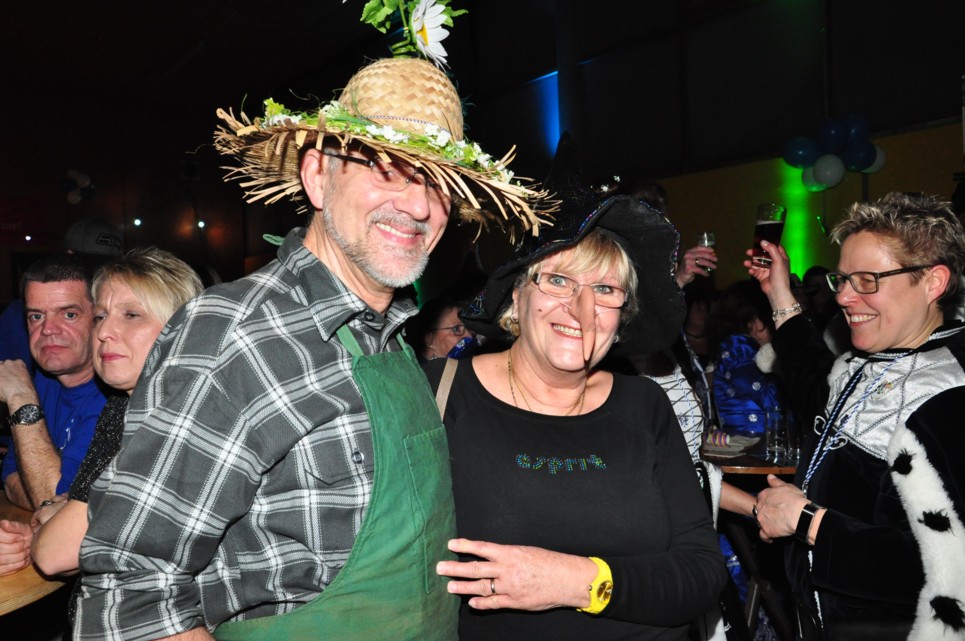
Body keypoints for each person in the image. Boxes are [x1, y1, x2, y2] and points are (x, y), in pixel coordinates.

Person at [76, 48, 548, 641]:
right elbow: (132, 594)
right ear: (318, 175)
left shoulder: (393, 337)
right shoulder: (235, 332)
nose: (419, 205)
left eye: (438, 183)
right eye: (386, 169)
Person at [430, 137, 727, 640]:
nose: (580, 309)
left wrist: (574, 582)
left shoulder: (645, 405)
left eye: (605, 290)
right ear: (517, 294)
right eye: (559, 281)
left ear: (622, 316)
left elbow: (702, 574)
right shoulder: (442, 395)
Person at [748, 192, 965, 640]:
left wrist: (807, 521)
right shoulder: (878, 358)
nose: (845, 297)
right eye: (843, 279)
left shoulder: (951, 393)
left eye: (867, 280)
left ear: (933, 282)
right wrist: (779, 291)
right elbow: (814, 384)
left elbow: (947, 568)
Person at [20, 249, 202, 581]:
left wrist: (66, 512)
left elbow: (53, 553)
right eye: (101, 316)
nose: (104, 332)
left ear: (182, 327)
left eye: (131, 315)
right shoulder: (121, 408)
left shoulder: (185, 417)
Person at [0, 254, 108, 510]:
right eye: (36, 316)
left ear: (99, 319)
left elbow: (53, 501)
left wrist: (22, 399)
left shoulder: (114, 397)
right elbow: (11, 475)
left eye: (69, 314)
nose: (48, 329)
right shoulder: (46, 379)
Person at [711, 279, 785, 438]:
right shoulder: (740, 353)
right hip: (750, 447)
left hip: (751, 444)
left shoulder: (737, 350)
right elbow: (775, 402)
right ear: (755, 322)